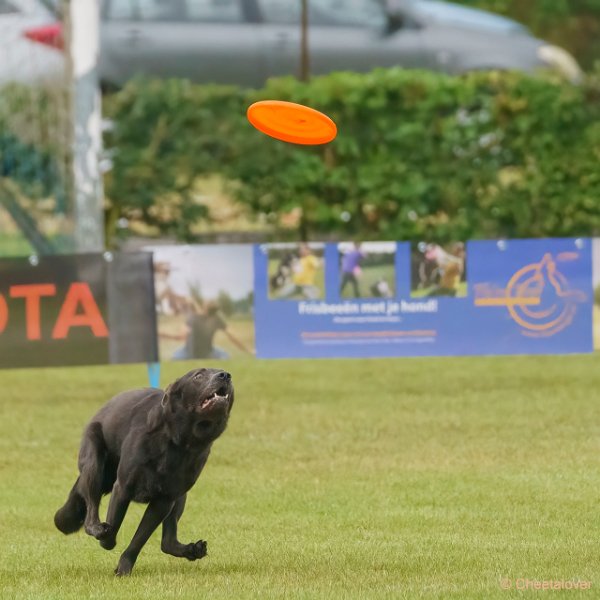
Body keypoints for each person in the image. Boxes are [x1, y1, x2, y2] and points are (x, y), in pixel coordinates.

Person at [163, 301, 253, 360]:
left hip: (192, 353)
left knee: (174, 357)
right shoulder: (216, 319)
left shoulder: (193, 318)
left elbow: (181, 336)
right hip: (205, 353)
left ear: (204, 308)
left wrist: (165, 335)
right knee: (226, 357)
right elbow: (233, 337)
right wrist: (247, 350)